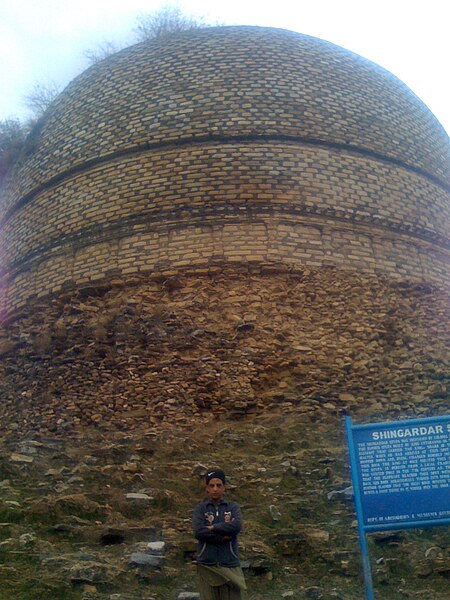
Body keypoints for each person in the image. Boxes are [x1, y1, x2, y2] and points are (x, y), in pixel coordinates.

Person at [192, 468, 247, 600]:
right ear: (207, 488)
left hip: (229, 564)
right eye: (212, 485)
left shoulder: (232, 507)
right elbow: (199, 532)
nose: (215, 489)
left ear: (224, 487)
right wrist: (223, 536)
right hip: (207, 565)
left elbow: (236, 526)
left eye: (219, 485)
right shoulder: (201, 509)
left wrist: (213, 527)